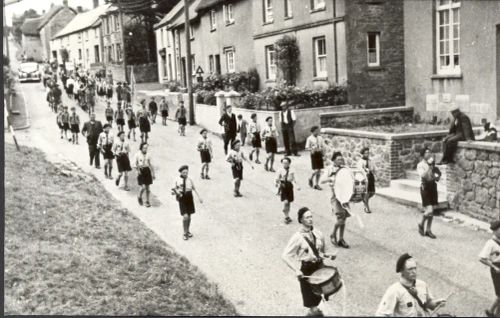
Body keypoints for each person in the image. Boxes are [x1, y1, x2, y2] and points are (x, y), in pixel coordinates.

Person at [282, 207, 337, 317]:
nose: (310, 219)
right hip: (307, 271)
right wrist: (297, 270)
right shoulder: (297, 237)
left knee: (321, 299)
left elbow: (322, 251)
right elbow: (285, 256)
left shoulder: (318, 233)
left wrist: (330, 255)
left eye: (311, 216)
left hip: (320, 269)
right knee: (313, 305)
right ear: (301, 220)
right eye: (307, 217)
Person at [376, 253, 446, 317]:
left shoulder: (422, 285)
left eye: (415, 268)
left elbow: (428, 304)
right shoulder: (394, 290)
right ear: (401, 270)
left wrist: (436, 303)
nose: (414, 272)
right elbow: (381, 314)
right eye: (410, 269)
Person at [321, 152, 350, 249]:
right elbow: (321, 180)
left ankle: (341, 239)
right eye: (338, 159)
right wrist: (331, 179)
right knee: (340, 218)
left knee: (344, 218)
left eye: (341, 159)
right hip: (335, 196)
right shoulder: (329, 169)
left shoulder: (344, 169)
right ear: (333, 160)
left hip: (345, 195)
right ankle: (333, 234)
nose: (340, 161)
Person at [172, 165, 204, 241]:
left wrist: (199, 197)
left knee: (189, 216)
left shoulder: (190, 179)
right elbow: (172, 190)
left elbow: (194, 188)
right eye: (184, 172)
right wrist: (177, 193)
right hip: (182, 198)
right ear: (180, 172)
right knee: (185, 216)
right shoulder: (177, 180)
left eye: (186, 172)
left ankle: (187, 230)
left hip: (189, 197)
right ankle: (184, 233)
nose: (185, 174)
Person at [417, 147, 441, 239]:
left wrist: (436, 174)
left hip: (432, 186)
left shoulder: (432, 164)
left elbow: (435, 174)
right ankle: (421, 223)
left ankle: (428, 230)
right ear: (423, 154)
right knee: (429, 210)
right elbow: (423, 175)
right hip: (425, 187)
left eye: (430, 152)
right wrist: (429, 167)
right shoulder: (420, 165)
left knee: (432, 211)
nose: (429, 154)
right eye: (427, 152)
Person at [479, 220, 500, 317]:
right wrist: (494, 267)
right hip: (497, 269)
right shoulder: (490, 243)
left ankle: (492, 312)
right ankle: (493, 313)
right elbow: (482, 258)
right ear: (495, 231)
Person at [275, 157, 300, 224]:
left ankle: (287, 215)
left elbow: (295, 178)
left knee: (289, 202)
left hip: (289, 186)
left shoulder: (292, 170)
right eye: (283, 163)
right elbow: (277, 178)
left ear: (289, 163)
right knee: (286, 202)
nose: (284, 164)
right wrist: (276, 184)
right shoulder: (280, 170)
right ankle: (286, 215)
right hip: (283, 186)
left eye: (286, 163)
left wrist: (297, 186)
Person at [134, 142, 155, 207]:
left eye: (146, 148)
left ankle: (147, 201)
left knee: (148, 188)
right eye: (144, 148)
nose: (145, 149)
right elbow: (134, 164)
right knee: (143, 187)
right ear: (141, 148)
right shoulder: (137, 154)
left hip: (147, 171)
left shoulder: (148, 155)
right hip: (140, 171)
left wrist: (153, 173)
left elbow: (151, 164)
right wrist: (138, 170)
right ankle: (139, 196)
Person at [305, 126, 325, 191]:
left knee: (319, 170)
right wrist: (312, 149)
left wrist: (322, 152)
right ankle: (310, 178)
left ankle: (316, 184)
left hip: (319, 154)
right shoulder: (309, 138)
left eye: (318, 131)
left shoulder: (320, 138)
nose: (317, 132)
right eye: (316, 131)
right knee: (316, 170)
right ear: (313, 131)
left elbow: (322, 146)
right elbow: (306, 148)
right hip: (314, 155)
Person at [357, 147, 376, 214]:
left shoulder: (370, 160)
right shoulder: (360, 161)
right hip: (364, 178)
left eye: (368, 153)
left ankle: (364, 199)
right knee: (367, 192)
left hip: (371, 177)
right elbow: (360, 170)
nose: (367, 154)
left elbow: (373, 168)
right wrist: (365, 173)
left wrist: (373, 171)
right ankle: (366, 207)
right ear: (362, 154)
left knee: (372, 192)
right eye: (365, 153)